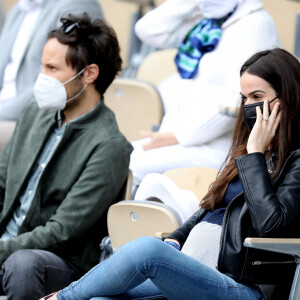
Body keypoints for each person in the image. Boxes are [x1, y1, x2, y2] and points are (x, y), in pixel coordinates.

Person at [42, 48, 300, 300]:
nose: (248, 106)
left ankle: (60, 298)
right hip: (196, 270)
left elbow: (271, 226)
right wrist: (177, 238)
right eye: (244, 98)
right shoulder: (247, 153)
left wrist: (255, 156)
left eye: (257, 96)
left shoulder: (292, 161)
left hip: (244, 286)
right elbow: (210, 208)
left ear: (287, 98)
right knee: (103, 298)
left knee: (147, 250)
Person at [0, 13, 133, 300]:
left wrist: (2, 250)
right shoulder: (35, 112)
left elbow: (61, 233)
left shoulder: (110, 146)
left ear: (89, 74)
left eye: (52, 68)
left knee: (22, 263)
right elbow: (1, 183)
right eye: (42, 66)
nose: (41, 78)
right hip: (6, 246)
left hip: (55, 263)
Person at [130, 0, 281, 189]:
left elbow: (237, 100)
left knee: (130, 167)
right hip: (183, 137)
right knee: (119, 156)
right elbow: (148, 29)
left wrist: (178, 137)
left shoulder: (255, 23)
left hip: (218, 147)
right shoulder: (210, 21)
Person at [0, 0, 103, 121]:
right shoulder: (19, 9)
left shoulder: (78, 5)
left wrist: (2, 113)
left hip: (37, 120)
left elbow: (57, 84)